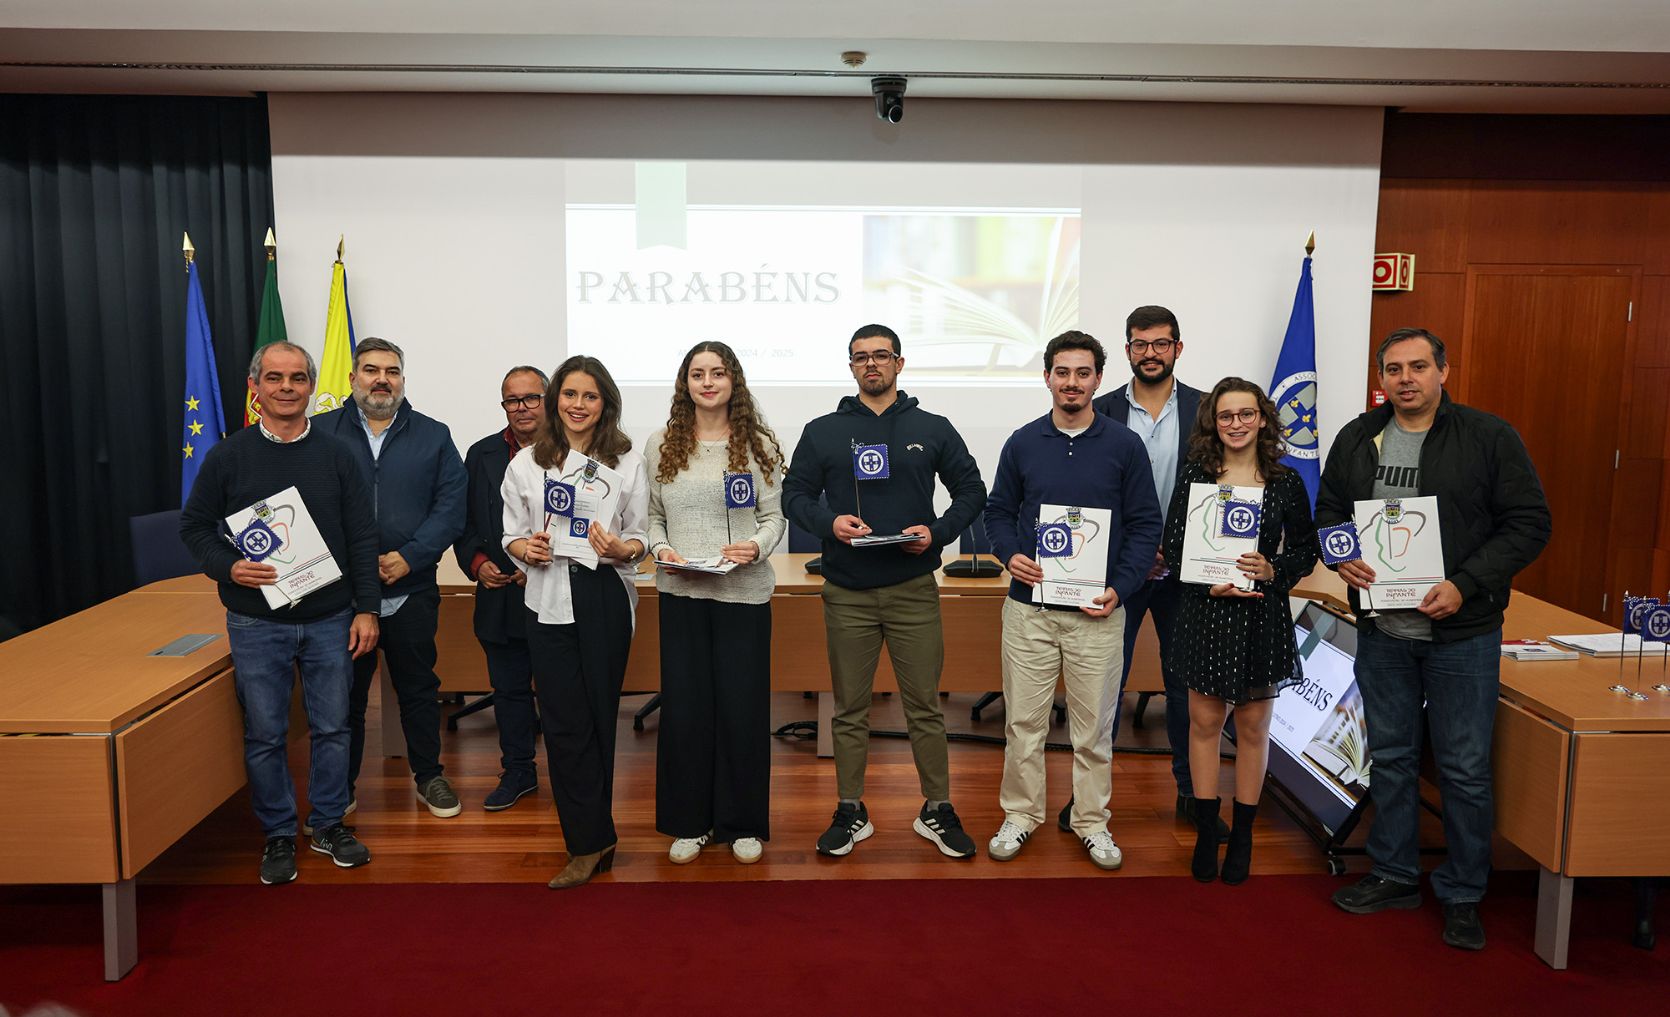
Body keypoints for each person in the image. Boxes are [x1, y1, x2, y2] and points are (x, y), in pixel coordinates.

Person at [1317, 328, 1550, 950]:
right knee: (1389, 758)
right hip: (1383, 630)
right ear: (1382, 378)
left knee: (1464, 769)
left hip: (1461, 633)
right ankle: (1394, 873)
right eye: (1394, 369)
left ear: (1444, 370)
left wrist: (1467, 584)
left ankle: (1463, 891)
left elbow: (1529, 523)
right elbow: (1330, 511)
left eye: (1419, 366)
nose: (1406, 379)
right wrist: (1342, 557)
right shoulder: (1357, 437)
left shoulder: (1488, 437)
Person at [782, 324, 987, 859]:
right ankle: (851, 809)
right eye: (860, 358)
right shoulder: (823, 430)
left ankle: (936, 809)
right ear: (850, 367)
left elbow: (972, 490)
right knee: (850, 709)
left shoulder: (931, 426)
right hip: (846, 592)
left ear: (899, 362)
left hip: (913, 588)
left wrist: (937, 533)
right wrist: (830, 524)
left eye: (881, 356)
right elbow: (794, 496)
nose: (871, 364)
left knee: (924, 707)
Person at [179, 341, 378, 884]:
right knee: (265, 732)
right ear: (256, 388)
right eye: (275, 378)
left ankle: (330, 823)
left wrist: (367, 610)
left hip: (332, 616)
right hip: (255, 620)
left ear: (312, 388)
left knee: (333, 727)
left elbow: (362, 536)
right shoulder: (229, 455)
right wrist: (228, 567)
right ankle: (278, 834)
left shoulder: (340, 454)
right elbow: (195, 528)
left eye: (297, 378)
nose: (286, 388)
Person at [983, 330, 1163, 870]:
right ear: (1047, 378)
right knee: (1023, 726)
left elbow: (1144, 524)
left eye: (1083, 373)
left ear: (1098, 380)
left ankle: (1091, 822)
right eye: (1062, 372)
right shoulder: (1022, 442)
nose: (1072, 383)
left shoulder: (1124, 445)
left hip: (1097, 613)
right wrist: (1009, 553)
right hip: (1029, 612)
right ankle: (1020, 815)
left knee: (1093, 731)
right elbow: (996, 512)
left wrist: (1120, 587)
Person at [1160, 377, 1317, 884]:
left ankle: (1244, 834)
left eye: (1246, 414)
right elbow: (1176, 546)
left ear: (1264, 419)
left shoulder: (1286, 482)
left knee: (1252, 730)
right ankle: (1209, 830)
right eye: (1226, 416)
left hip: (1260, 616)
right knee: (1204, 726)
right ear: (1213, 422)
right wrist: (1211, 585)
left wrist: (1274, 570)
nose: (1236, 424)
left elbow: (1304, 548)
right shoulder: (1194, 477)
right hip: (1207, 612)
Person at [501, 355, 649, 888]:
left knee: (598, 718)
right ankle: (586, 841)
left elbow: (643, 536)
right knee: (564, 725)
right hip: (547, 598)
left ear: (604, 402)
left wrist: (620, 547)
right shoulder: (526, 464)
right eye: (569, 394)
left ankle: (599, 834)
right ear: (553, 400)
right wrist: (526, 547)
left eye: (589, 396)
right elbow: (509, 535)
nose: (578, 405)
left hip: (604, 593)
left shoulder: (627, 461)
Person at [314, 337, 468, 820]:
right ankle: (341, 787)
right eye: (371, 369)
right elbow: (305, 509)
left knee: (420, 689)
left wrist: (412, 556)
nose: (382, 379)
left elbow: (451, 507)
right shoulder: (319, 434)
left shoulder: (434, 435)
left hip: (411, 588)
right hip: (342, 596)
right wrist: (356, 567)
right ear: (352, 377)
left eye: (392, 371)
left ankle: (429, 777)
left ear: (403, 379)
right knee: (346, 698)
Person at [646, 341, 787, 865]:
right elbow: (653, 517)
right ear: (686, 383)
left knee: (742, 709)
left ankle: (742, 822)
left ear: (734, 382)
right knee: (685, 712)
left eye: (718, 373)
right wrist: (662, 549)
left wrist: (757, 546)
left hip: (743, 594)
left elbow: (776, 518)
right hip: (682, 593)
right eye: (697, 374)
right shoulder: (662, 443)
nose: (708, 382)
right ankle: (690, 822)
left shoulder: (760, 445)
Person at [1084, 305, 1221, 839]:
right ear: (1127, 351)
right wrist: (1138, 553)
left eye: (1160, 344)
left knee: (1186, 686)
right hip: (1119, 571)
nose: (1149, 353)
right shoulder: (1101, 410)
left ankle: (1192, 792)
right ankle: (1090, 801)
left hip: (1189, 573)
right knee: (1104, 684)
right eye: (1139, 344)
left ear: (1178, 350)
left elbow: (1226, 483)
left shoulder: (1209, 409)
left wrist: (1175, 548)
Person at [452, 365, 548, 811]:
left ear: (548, 400)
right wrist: (478, 563)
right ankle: (518, 771)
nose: (522, 408)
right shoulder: (482, 454)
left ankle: (571, 776)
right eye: (513, 400)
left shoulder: (573, 453)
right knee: (509, 691)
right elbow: (465, 522)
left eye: (531, 398)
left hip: (555, 594)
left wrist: (544, 567)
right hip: (500, 594)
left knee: (561, 691)